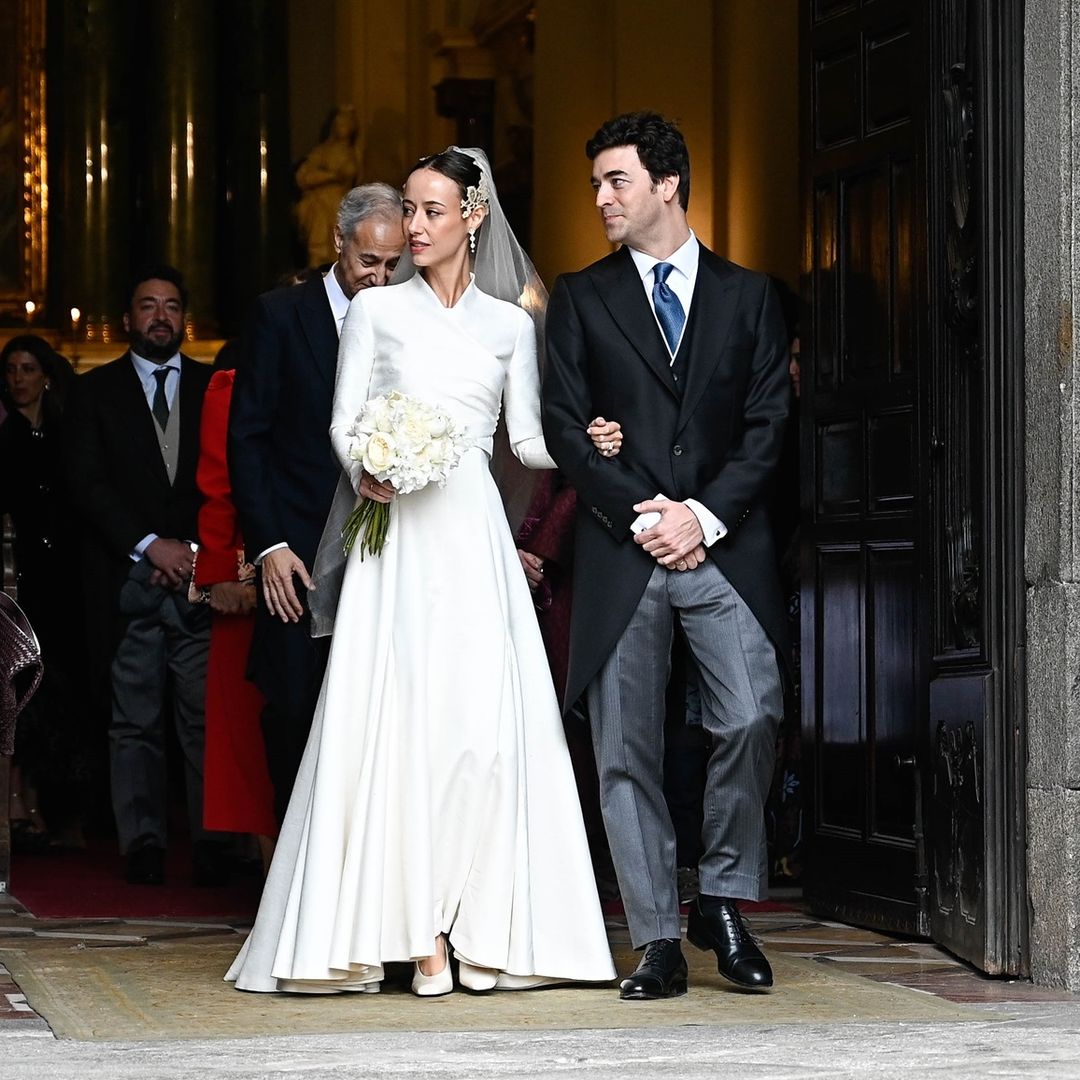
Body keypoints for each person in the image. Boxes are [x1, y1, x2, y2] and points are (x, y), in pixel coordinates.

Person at [226, 147, 616, 996]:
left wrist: (590, 443)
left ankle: (481, 924)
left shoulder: (512, 326)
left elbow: (524, 445)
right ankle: (415, 934)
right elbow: (341, 422)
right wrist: (369, 463)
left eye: (432, 210)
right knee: (394, 727)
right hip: (396, 543)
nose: (414, 226)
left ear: (472, 217)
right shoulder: (376, 314)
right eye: (409, 209)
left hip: (472, 538)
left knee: (480, 732)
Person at [543, 112, 791, 999]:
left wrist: (701, 517)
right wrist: (641, 516)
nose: (602, 198)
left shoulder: (749, 294)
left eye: (616, 181)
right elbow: (566, 430)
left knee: (753, 712)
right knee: (625, 750)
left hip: (723, 550)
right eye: (598, 184)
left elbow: (768, 428)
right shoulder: (580, 295)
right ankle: (654, 936)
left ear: (667, 183)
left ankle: (720, 896)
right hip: (625, 550)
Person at [228, 183, 403, 825]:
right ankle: (291, 879)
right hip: (296, 554)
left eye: (393, 265)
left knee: (373, 715)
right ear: (339, 242)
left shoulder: (406, 319)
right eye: (368, 263)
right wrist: (269, 544)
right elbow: (248, 439)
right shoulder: (280, 315)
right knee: (295, 709)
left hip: (381, 546)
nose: (380, 279)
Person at [67, 266, 219, 886]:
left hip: (200, 579)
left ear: (185, 318)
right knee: (133, 720)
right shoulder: (92, 391)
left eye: (172, 306)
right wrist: (151, 546)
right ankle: (144, 844)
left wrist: (192, 551)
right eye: (148, 305)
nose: (161, 316)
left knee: (202, 718)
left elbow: (230, 477)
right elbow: (86, 482)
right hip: (126, 580)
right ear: (127, 318)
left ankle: (215, 844)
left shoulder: (216, 387)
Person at [0, 335, 83, 852]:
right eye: (10, 370)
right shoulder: (4, 436)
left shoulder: (67, 431)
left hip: (65, 577)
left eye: (28, 368)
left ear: (46, 375)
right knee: (19, 690)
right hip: (18, 577)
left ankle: (58, 808)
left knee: (63, 689)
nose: (18, 379)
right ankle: (17, 802)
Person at [194, 358, 277, 873]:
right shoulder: (234, 385)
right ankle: (273, 878)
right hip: (254, 578)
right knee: (250, 727)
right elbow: (218, 484)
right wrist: (223, 570)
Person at [295, 106, 360, 267]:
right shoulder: (322, 152)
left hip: (341, 203)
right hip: (321, 203)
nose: (343, 127)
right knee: (319, 244)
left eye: (347, 123)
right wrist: (331, 176)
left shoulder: (355, 154)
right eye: (340, 122)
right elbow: (302, 177)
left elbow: (353, 177)